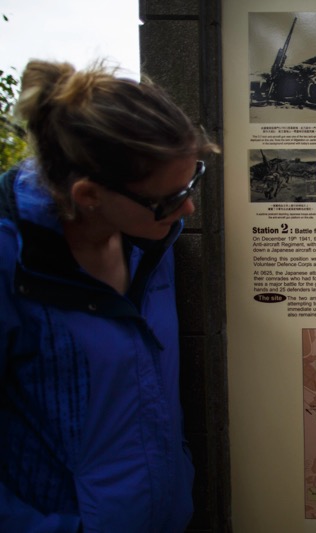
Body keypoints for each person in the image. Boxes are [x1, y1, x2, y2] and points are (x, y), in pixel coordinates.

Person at [0, 60, 219, 532]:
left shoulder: (149, 241)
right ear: (89, 195)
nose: (187, 208)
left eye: (191, 181)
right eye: (168, 198)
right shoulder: (10, 263)